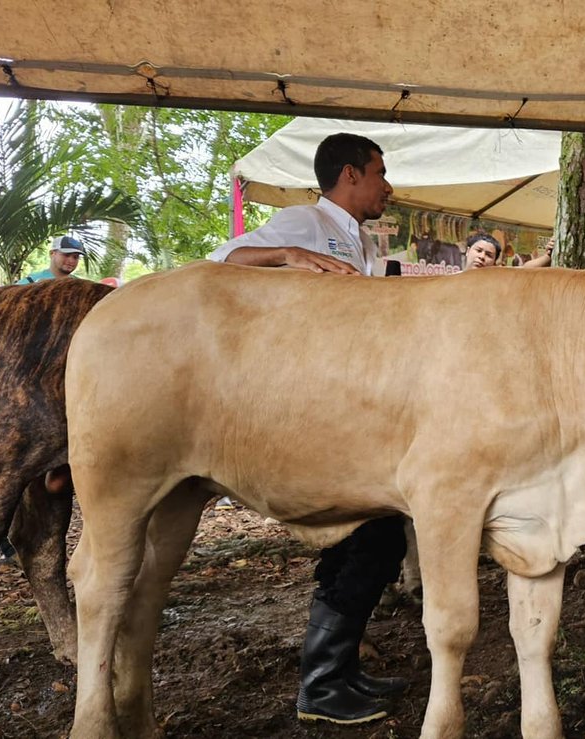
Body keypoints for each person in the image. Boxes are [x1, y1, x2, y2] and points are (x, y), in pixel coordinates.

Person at [210, 132, 409, 725]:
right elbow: (220, 261)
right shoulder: (304, 222)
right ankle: (320, 684)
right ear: (350, 174)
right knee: (378, 537)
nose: (387, 186)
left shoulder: (362, 240)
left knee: (367, 537)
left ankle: (336, 671)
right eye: (379, 173)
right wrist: (287, 255)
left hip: (353, 406)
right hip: (313, 407)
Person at [20, 235, 86, 283]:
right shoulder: (30, 282)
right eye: (66, 255)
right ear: (52, 253)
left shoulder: (81, 286)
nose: (71, 261)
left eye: (75, 257)